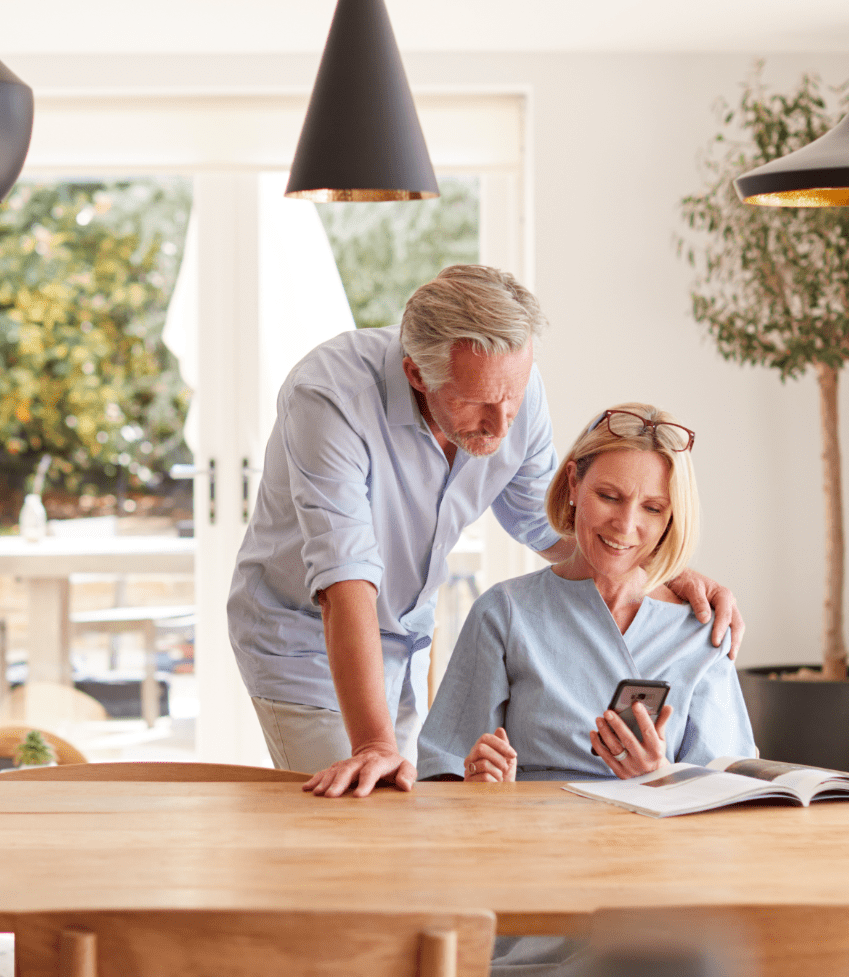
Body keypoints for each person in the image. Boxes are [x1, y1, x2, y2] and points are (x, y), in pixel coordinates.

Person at [228, 265, 744, 797]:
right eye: (476, 403)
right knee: (355, 815)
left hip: (402, 639)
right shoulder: (331, 399)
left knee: (397, 822)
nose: (502, 427)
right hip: (308, 639)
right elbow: (345, 578)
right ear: (416, 375)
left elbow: (543, 519)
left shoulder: (509, 385)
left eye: (512, 398)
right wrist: (374, 746)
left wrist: (656, 571)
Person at [417, 402, 757, 784]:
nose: (626, 525)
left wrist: (658, 777)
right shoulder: (505, 612)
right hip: (529, 838)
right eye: (609, 496)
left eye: (652, 507)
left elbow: (730, 794)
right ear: (574, 483)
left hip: (654, 841)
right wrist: (480, 786)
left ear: (672, 517)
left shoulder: (700, 629)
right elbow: (442, 768)